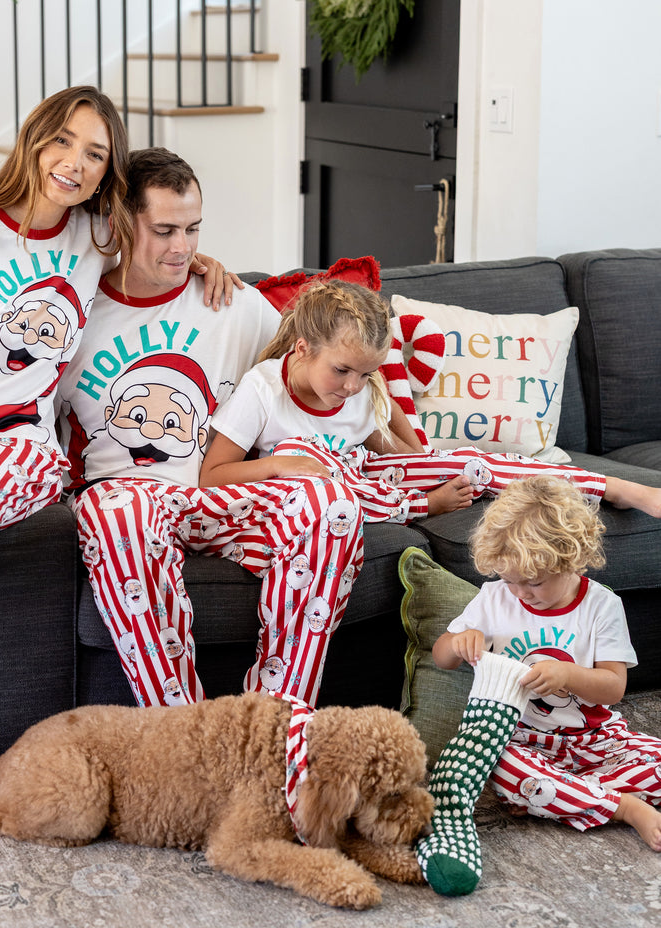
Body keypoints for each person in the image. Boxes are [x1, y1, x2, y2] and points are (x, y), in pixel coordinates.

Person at [0, 85, 227, 680]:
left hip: (19, 447)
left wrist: (201, 261)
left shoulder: (96, 235)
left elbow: (159, 248)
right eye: (63, 140)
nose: (74, 163)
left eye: (95, 154)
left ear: (107, 172)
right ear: (35, 139)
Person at [57, 147, 365, 710]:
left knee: (331, 505)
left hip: (219, 495)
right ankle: (183, 728)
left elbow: (317, 365)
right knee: (123, 515)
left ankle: (271, 721)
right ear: (121, 222)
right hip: (125, 497)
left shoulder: (233, 302)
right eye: (165, 230)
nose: (182, 248)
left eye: (193, 229)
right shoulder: (74, 313)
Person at [200, 279, 661, 523]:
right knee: (299, 451)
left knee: (468, 463)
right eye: (342, 370)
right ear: (302, 348)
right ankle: (418, 507)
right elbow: (212, 475)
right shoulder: (263, 389)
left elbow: (392, 439)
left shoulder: (359, 392)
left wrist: (427, 464)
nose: (353, 386)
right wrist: (281, 466)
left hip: (368, 477)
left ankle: (611, 487)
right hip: (311, 495)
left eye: (366, 373)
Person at [432, 475, 661, 852]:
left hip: (596, 740)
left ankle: (555, 797)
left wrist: (568, 675)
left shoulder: (601, 606)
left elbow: (614, 687)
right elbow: (441, 657)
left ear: (571, 560)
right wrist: (458, 643)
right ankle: (622, 807)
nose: (521, 592)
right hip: (519, 741)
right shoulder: (494, 599)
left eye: (534, 582)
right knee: (502, 767)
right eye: (510, 580)